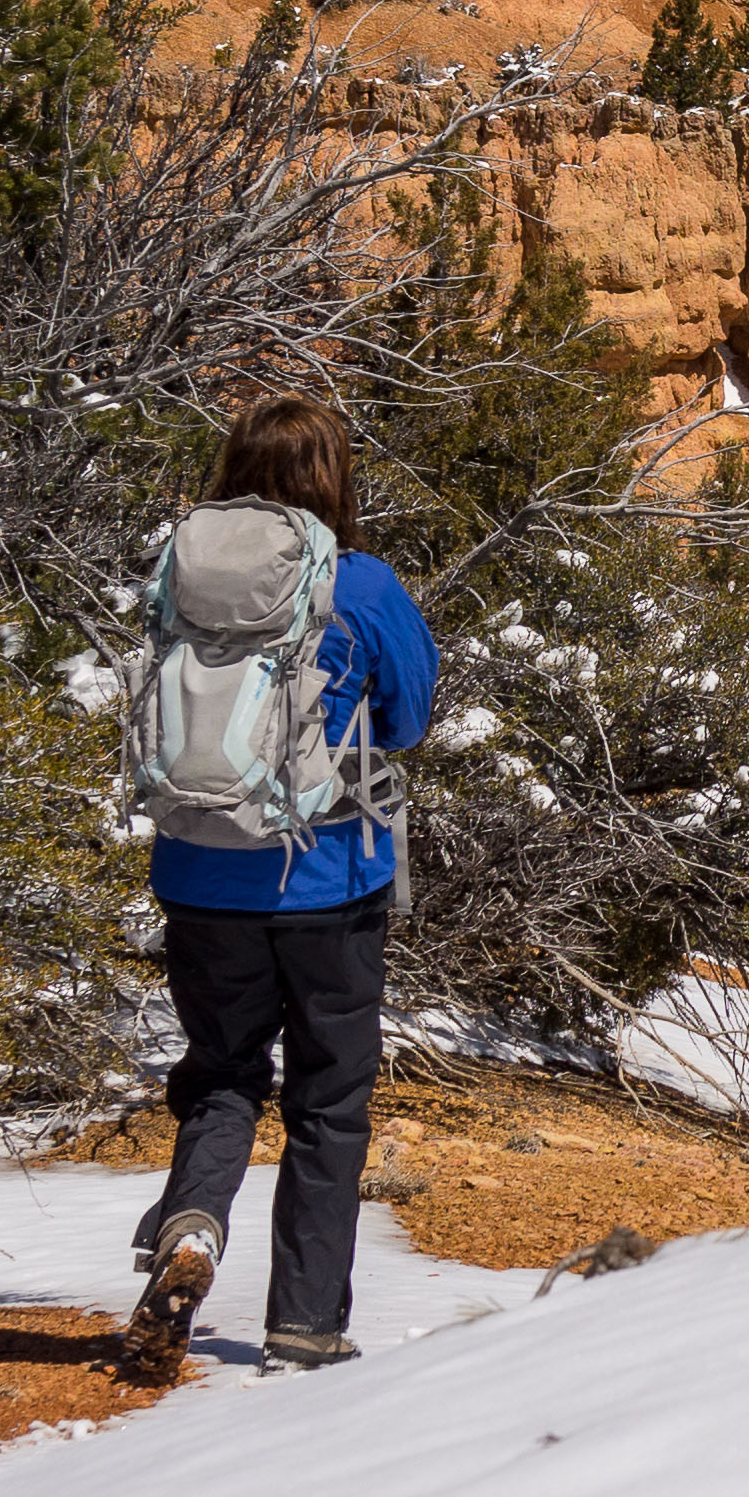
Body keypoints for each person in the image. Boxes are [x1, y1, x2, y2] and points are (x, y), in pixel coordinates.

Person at [122, 397, 437, 1373]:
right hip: (328, 880)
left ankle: (190, 1229)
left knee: (220, 1073)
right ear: (333, 478)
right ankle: (303, 1322)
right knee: (327, 1102)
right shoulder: (362, 585)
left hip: (195, 873)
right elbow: (410, 717)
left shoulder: (176, 572)